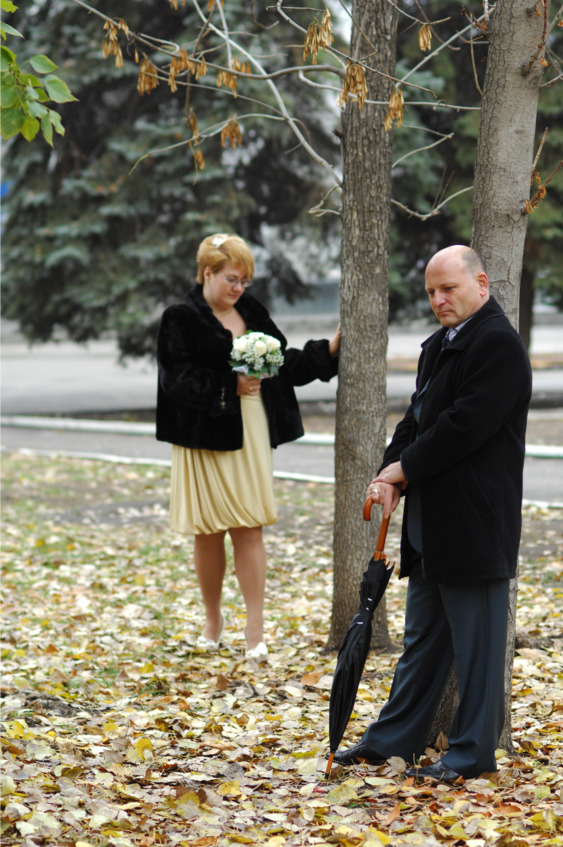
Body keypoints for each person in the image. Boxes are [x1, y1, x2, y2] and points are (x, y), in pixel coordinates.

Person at [334, 244, 532, 782]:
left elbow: (464, 427)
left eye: (449, 288)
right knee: (422, 643)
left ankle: (472, 754)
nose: (439, 299)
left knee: (479, 651)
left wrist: (404, 470)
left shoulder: (497, 345)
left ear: (481, 284)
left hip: (474, 524)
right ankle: (392, 741)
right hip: (432, 526)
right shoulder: (440, 344)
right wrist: (388, 475)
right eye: (431, 292)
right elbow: (416, 422)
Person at [156, 234, 340, 660]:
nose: (239, 288)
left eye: (244, 281)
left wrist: (326, 353)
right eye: (231, 279)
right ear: (207, 273)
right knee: (207, 530)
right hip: (202, 437)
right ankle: (213, 619)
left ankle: (254, 628)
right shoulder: (179, 318)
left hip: (252, 430)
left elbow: (282, 364)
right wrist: (229, 386)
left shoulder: (252, 312)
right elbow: (175, 380)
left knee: (249, 525)